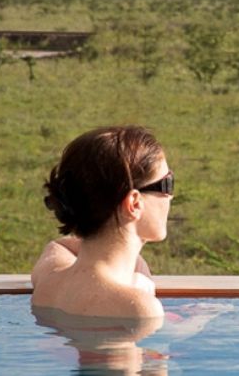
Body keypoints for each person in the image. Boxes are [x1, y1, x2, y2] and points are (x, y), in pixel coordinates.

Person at [31, 125, 173, 318]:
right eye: (167, 184)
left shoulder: (50, 278)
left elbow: (58, 246)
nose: (170, 197)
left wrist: (137, 274)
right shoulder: (139, 308)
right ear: (134, 203)